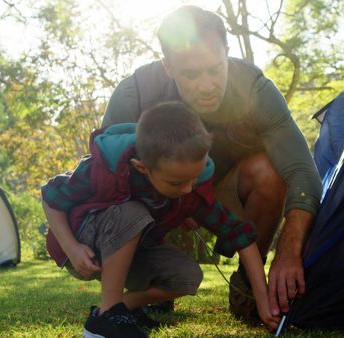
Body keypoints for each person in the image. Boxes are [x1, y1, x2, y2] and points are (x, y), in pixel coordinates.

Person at [101, 5, 322, 321]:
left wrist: (289, 250)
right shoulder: (134, 95)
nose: (207, 86)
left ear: (227, 53)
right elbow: (103, 181)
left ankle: (249, 286)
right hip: (156, 200)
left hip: (221, 197)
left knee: (268, 170)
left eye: (215, 69)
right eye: (191, 74)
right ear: (168, 66)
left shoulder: (256, 90)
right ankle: (148, 282)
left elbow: (302, 171)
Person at [41, 101, 279, 338]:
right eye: (176, 183)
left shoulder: (190, 188)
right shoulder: (106, 167)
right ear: (142, 168)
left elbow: (239, 235)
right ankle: (107, 317)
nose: (187, 189)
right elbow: (51, 197)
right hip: (84, 244)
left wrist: (262, 298)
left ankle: (124, 307)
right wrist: (72, 248)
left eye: (194, 179)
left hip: (134, 251)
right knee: (133, 212)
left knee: (187, 276)